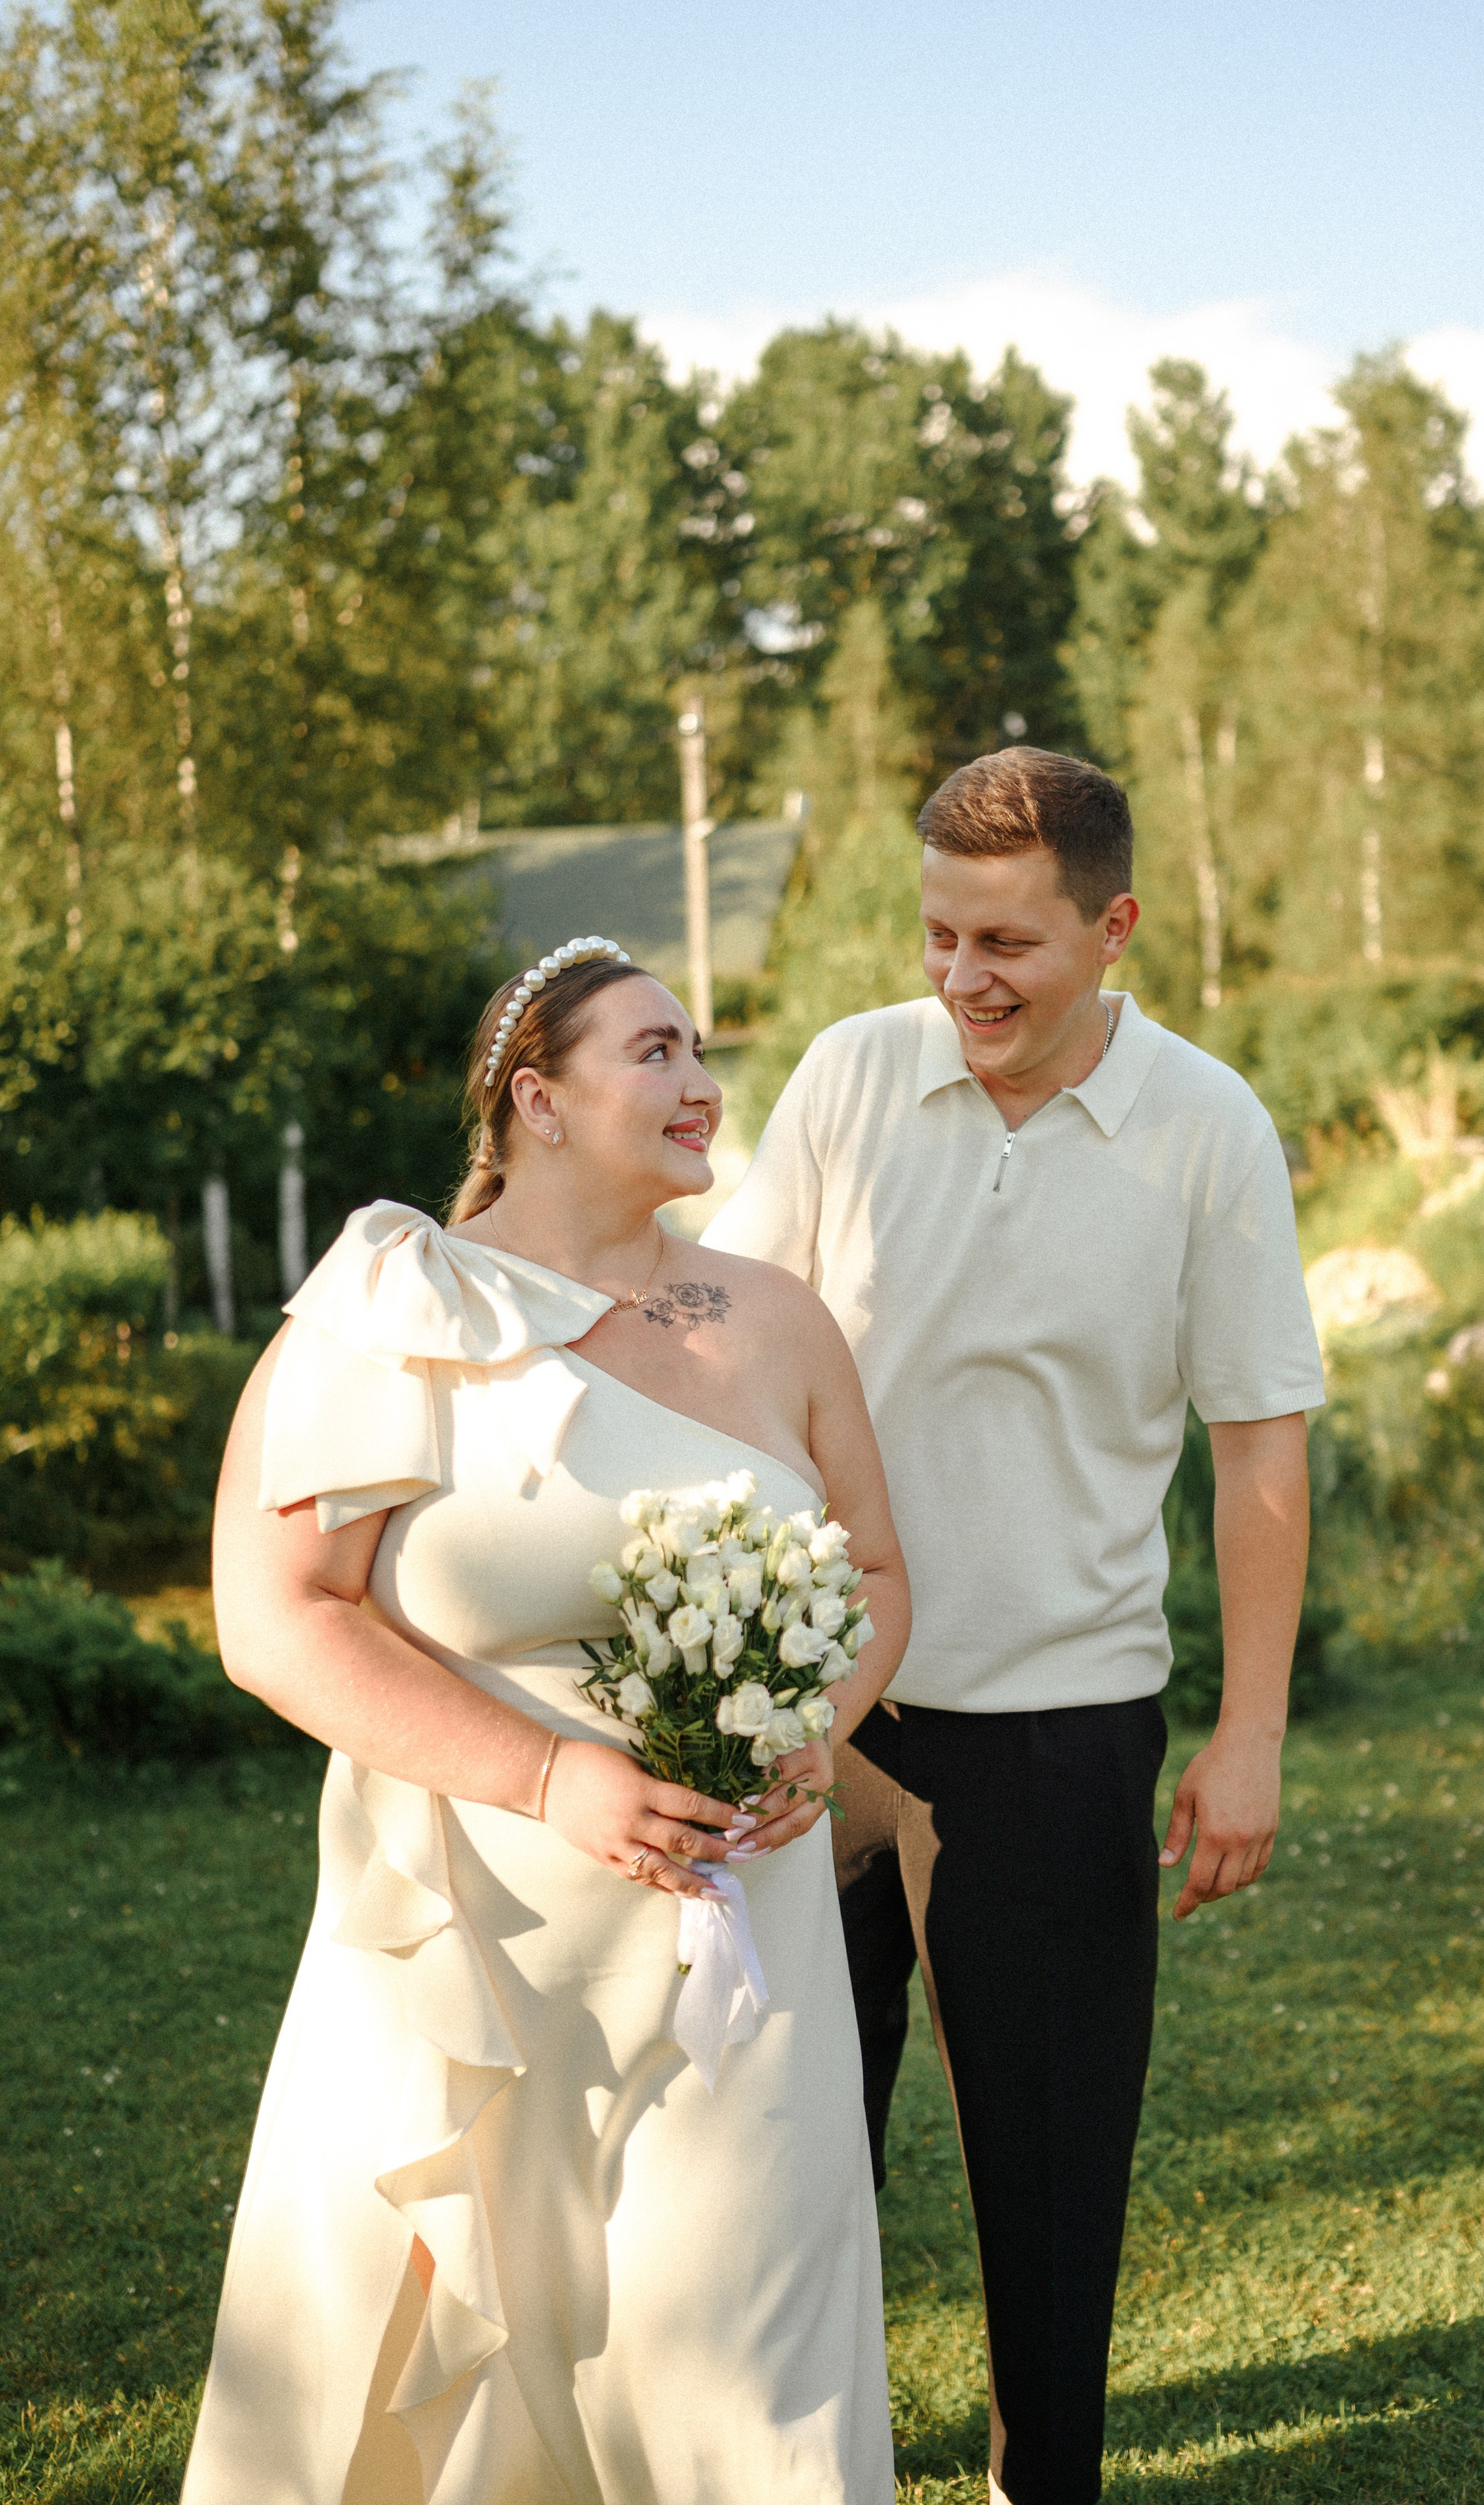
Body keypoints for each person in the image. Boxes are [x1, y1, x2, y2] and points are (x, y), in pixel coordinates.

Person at [183, 937, 908, 2505]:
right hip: (480, 1935)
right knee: (463, 2363)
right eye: (653, 1051)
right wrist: (543, 1772)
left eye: (701, 1048)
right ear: (538, 1098)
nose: (702, 1082)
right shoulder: (389, 1306)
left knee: (748, 2344)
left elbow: (876, 1564)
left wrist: (817, 1724)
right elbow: (274, 1614)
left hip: (743, 1930)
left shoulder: (775, 1322)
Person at [706, 749, 1325, 2505]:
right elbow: (739, 1358)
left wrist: (1252, 1730)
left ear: (1112, 929)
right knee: (776, 2165)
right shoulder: (844, 1075)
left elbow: (1260, 1457)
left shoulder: (1211, 1128)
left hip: (1059, 1741)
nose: (961, 979)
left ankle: (1035, 2483)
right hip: (819, 1735)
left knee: (1050, 2199)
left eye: (1008, 943)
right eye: (936, 934)